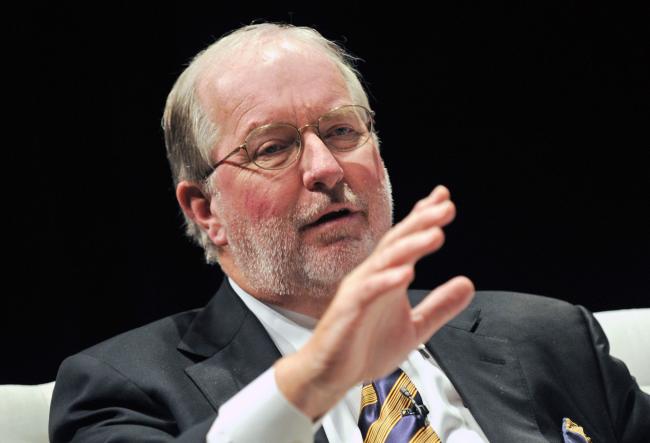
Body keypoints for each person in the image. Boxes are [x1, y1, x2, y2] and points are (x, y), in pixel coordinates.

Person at [50, 23, 649, 443]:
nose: (326, 170)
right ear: (206, 210)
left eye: (341, 131)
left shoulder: (551, 337)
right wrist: (315, 375)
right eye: (273, 148)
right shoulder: (121, 387)